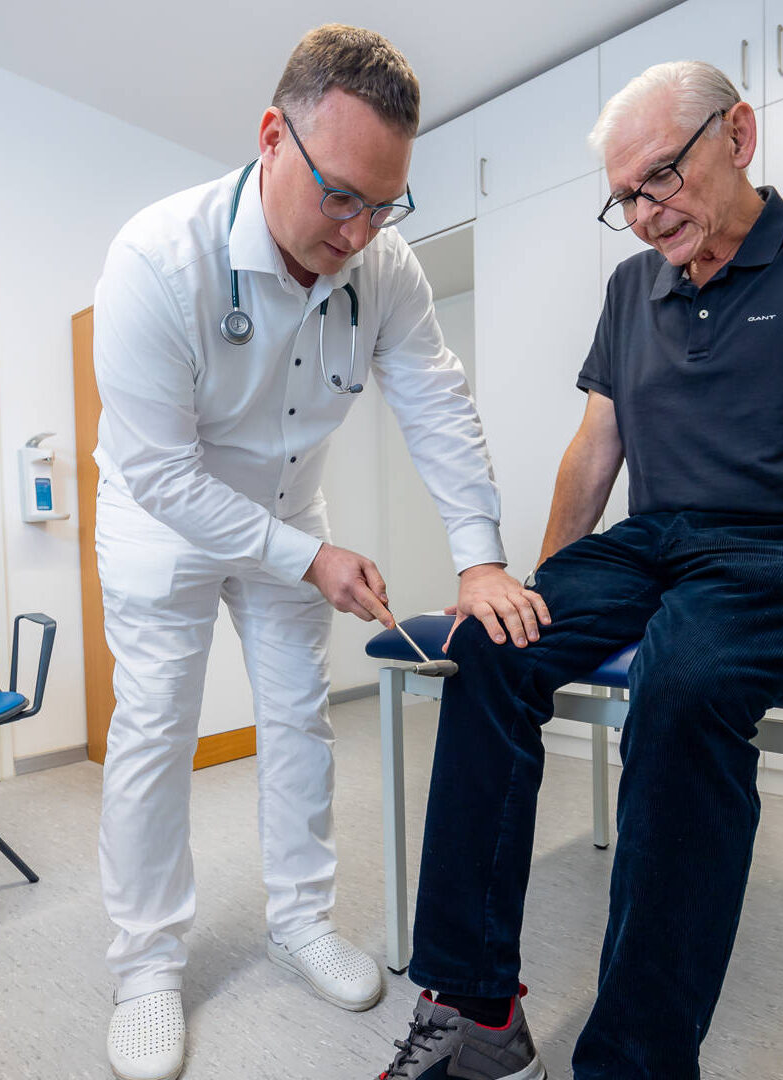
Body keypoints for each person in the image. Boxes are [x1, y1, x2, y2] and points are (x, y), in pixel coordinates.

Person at [377, 59, 783, 1080]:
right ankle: (476, 1011)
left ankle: (635, 1065)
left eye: (660, 178)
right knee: (489, 648)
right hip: (660, 542)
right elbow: (595, 451)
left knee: (679, 692)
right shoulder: (635, 287)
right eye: (625, 196)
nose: (642, 214)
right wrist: (536, 595)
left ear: (739, 135)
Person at [92, 24, 548, 1080]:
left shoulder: (381, 266)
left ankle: (300, 919)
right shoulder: (158, 261)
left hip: (291, 509)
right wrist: (311, 561)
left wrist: (479, 557)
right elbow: (163, 474)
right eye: (341, 194)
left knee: (298, 714)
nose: (359, 230)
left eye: (385, 204)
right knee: (157, 728)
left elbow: (437, 401)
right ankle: (147, 967)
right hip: (162, 519)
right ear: (270, 138)